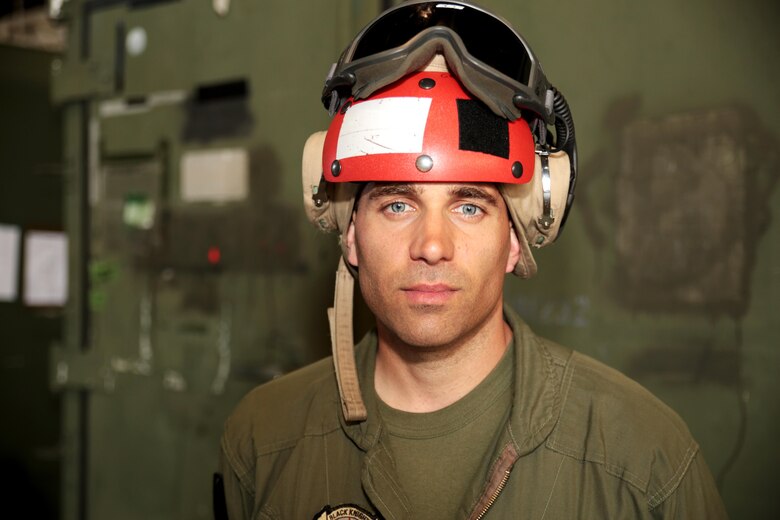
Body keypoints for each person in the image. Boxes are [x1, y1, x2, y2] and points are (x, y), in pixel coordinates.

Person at [216, 2, 728, 518]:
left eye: (468, 206)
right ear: (348, 233)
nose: (432, 245)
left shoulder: (643, 464)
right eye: (397, 204)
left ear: (516, 238)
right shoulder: (262, 444)